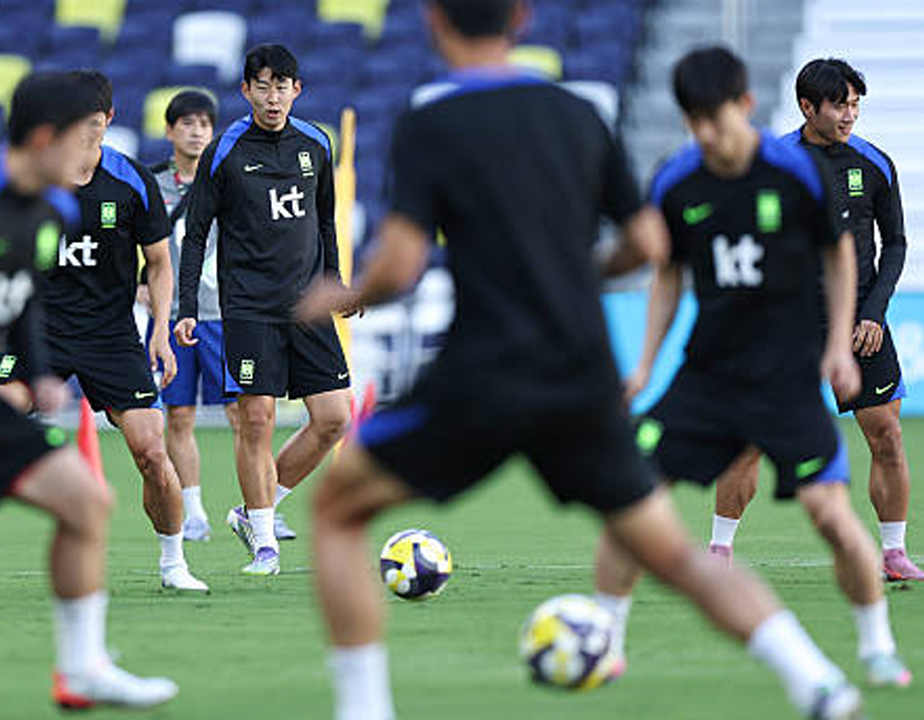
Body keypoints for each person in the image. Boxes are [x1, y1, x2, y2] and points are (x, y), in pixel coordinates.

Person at [296, 5, 867, 718]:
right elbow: (649, 244)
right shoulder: (578, 113)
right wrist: (577, 273)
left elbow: (403, 264)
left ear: (434, 21)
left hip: (483, 374)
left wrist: (343, 294)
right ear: (522, 18)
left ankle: (364, 711)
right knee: (675, 556)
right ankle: (818, 681)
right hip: (581, 375)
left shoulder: (429, 122)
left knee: (337, 512)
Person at [612, 45, 911, 691]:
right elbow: (667, 272)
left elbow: (845, 256)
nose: (707, 135)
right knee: (629, 492)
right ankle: (604, 640)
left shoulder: (804, 172)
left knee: (833, 510)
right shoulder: (676, 179)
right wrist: (644, 365)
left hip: (804, 359)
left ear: (744, 107)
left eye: (716, 118)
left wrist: (841, 342)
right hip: (715, 367)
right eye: (695, 121)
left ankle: (878, 642)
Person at [0, 71, 179, 709]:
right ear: (45, 137)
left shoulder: (51, 209)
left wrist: (39, 370)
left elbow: (22, 299)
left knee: (85, 500)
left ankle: (82, 669)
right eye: (86, 137)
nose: (95, 152)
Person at [0, 70, 208, 593]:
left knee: (152, 452)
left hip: (110, 337)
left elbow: (158, 262)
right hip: (37, 332)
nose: (83, 134)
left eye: (92, 122)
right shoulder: (32, 180)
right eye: (72, 123)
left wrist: (158, 329)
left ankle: (174, 565)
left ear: (108, 120)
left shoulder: (130, 181)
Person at [708, 59, 919, 581]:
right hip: (785, 324)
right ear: (808, 107)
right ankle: (718, 551)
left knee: (887, 436)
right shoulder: (773, 164)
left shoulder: (873, 163)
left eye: (855, 105)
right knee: (750, 439)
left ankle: (893, 552)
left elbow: (894, 244)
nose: (850, 115)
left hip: (859, 324)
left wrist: (873, 313)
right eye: (840, 105)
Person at [176, 44, 352, 575]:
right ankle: (265, 541)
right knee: (257, 418)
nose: (273, 97)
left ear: (297, 90)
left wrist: (336, 283)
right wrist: (187, 306)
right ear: (246, 90)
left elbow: (325, 223)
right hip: (250, 307)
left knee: (334, 418)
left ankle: (255, 509)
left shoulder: (317, 144)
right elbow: (196, 234)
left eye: (283, 86)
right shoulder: (226, 149)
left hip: (308, 306)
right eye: (263, 86)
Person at [143, 90, 247, 543]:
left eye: (205, 123)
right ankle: (194, 512)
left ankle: (256, 509)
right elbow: (127, 245)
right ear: (170, 131)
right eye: (187, 123)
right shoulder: (150, 184)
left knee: (245, 416)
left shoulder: (232, 179)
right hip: (172, 319)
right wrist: (138, 286)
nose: (197, 131)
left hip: (226, 316)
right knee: (179, 416)